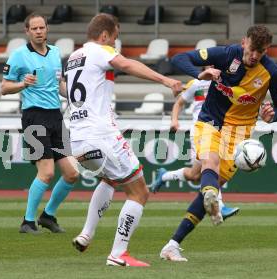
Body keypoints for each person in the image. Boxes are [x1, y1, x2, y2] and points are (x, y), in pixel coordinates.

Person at [159, 25, 277, 261]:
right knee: (211, 161)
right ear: (243, 43)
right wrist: (199, 74)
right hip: (210, 120)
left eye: (260, 52)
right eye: (251, 50)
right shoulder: (226, 55)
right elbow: (179, 58)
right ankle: (211, 193)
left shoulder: (272, 72)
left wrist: (273, 116)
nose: (254, 56)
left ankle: (172, 245)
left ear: (266, 50)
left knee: (210, 179)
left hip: (239, 134)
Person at [67, 14, 182, 267]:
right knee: (139, 191)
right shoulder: (99, 51)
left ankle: (86, 234)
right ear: (105, 35)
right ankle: (118, 254)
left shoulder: (74, 56)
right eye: (115, 38)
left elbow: (68, 89)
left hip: (76, 138)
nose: (115, 45)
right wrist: (166, 80)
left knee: (110, 178)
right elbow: (127, 65)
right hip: (100, 134)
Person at [1, 13, 79, 234]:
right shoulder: (19, 55)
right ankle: (27, 221)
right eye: (34, 28)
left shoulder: (55, 53)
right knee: (46, 173)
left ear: (47, 29)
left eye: (41, 27)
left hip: (56, 116)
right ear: (27, 31)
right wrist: (22, 84)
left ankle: (48, 216)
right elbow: (4, 88)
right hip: (34, 117)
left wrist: (76, 98)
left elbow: (60, 85)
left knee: (72, 174)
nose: (38, 31)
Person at [149, 75, 240, 220]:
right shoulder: (197, 84)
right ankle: (220, 207)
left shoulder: (225, 83)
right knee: (212, 165)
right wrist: (174, 120)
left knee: (195, 175)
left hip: (217, 130)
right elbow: (179, 102)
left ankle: (164, 175)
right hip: (201, 130)